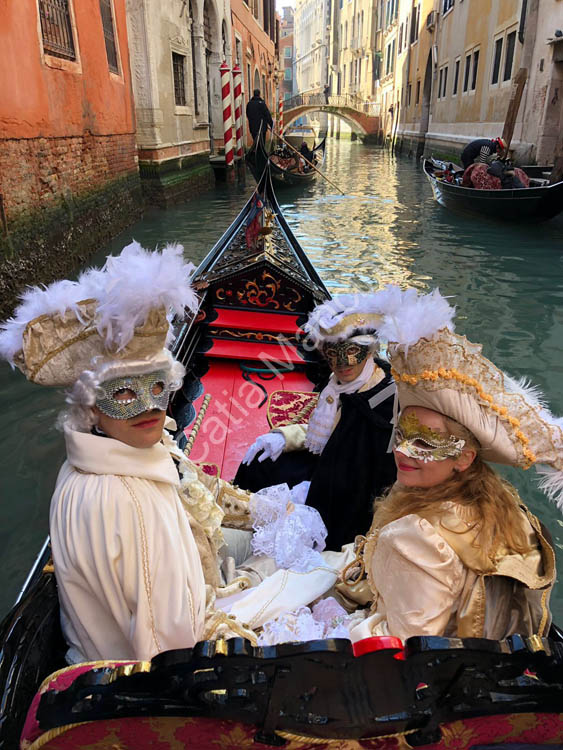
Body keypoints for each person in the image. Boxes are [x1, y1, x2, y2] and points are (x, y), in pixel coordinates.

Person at [1, 243, 341, 662]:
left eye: (158, 386)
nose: (149, 406)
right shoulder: (129, 502)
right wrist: (266, 584)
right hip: (165, 653)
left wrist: (274, 509)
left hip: (179, 592)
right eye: (124, 392)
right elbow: (176, 647)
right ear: (90, 405)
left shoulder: (113, 453)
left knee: (293, 538)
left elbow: (195, 485)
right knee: (323, 571)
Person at [344, 287, 558, 644]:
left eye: (425, 443)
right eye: (401, 436)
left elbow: (401, 648)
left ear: (464, 457)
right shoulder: (502, 501)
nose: (402, 452)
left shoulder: (414, 538)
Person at [234, 292, 398, 550]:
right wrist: (283, 437)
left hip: (352, 491)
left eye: (351, 352)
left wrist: (313, 489)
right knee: (258, 464)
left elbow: (372, 473)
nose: (342, 365)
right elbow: (327, 432)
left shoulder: (383, 400)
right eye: (333, 354)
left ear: (369, 352)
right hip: (325, 465)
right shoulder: (337, 385)